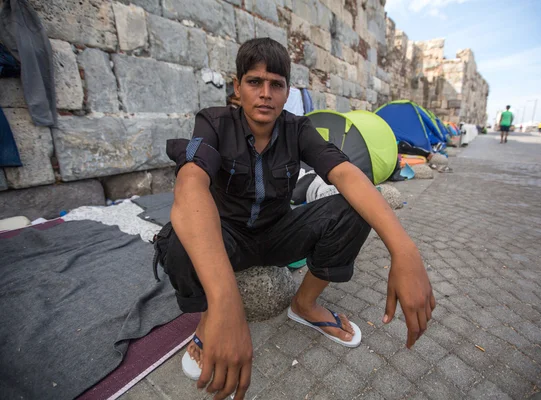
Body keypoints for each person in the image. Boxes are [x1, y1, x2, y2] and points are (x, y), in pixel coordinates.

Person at [155, 38, 435, 400]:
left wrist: (405, 250)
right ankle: (209, 319)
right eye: (255, 82)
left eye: (277, 84)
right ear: (237, 88)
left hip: (277, 234)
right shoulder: (213, 122)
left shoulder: (298, 129)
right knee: (179, 234)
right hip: (226, 238)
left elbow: (347, 174)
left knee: (353, 205)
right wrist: (226, 301)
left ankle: (303, 305)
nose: (265, 93)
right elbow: (190, 183)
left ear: (287, 92)